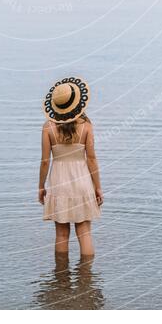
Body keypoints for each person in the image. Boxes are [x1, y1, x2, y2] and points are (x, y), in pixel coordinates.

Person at [39, 77, 103, 257]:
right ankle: (86, 279)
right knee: (84, 233)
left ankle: (61, 280)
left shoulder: (48, 128)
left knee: (61, 234)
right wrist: (98, 187)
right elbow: (91, 159)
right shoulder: (87, 127)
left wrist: (40, 187)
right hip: (82, 182)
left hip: (59, 183)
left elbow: (45, 161)